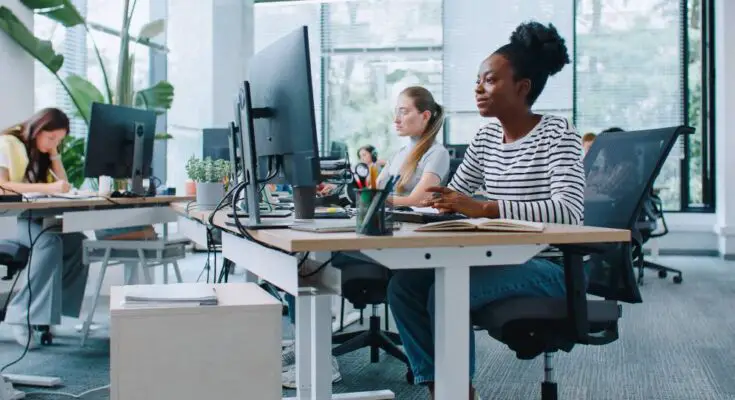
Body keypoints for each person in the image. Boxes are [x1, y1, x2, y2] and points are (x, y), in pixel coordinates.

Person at [386, 22, 585, 399]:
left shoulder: (558, 133)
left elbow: (569, 211)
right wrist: (422, 208)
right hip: (495, 256)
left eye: (489, 81)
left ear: (522, 87)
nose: (478, 88)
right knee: (404, 286)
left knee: (444, 291)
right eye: (478, 80)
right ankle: (441, 388)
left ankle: (458, 392)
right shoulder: (487, 136)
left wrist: (484, 208)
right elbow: (454, 194)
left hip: (549, 265)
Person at [0, 108, 89, 348]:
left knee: (78, 242)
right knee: (50, 243)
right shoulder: (7, 143)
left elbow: (64, 186)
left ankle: (48, 315)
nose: (54, 143)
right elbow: (3, 187)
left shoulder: (41, 153)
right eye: (51, 138)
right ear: (38, 129)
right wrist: (49, 188)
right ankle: (21, 315)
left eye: (59, 140)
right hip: (24, 221)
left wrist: (54, 154)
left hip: (43, 219)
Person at [379, 86, 450, 207]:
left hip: (416, 224)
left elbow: (418, 201)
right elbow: (373, 190)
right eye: (396, 112)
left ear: (425, 116)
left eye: (403, 112)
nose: (396, 119)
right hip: (391, 222)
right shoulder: (398, 154)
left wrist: (375, 200)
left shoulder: (437, 153)